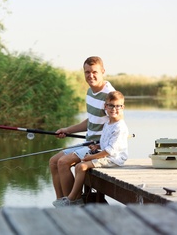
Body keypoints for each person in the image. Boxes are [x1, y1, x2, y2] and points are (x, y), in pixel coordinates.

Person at [49, 56, 115, 207]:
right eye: (87, 72)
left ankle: (74, 203)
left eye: (94, 72)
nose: (90, 76)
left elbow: (117, 123)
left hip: (98, 146)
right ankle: (61, 202)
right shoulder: (90, 92)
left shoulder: (109, 96)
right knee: (53, 162)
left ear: (103, 71)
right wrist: (67, 130)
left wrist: (101, 146)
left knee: (63, 162)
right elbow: (90, 121)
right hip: (87, 142)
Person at [56, 90, 129, 207]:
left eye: (118, 106)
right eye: (111, 106)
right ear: (105, 106)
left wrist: (91, 157)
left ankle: (72, 198)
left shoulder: (119, 127)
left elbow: (110, 151)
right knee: (79, 166)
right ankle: (73, 197)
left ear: (123, 107)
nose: (114, 109)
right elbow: (106, 143)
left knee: (82, 166)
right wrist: (97, 146)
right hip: (107, 155)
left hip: (114, 159)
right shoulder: (108, 123)